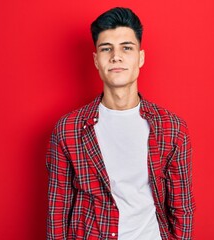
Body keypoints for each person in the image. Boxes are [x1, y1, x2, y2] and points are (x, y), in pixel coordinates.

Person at [46, 7, 195, 240]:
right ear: (96, 60)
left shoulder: (172, 128)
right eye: (107, 49)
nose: (116, 56)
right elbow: (58, 211)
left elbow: (182, 207)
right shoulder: (68, 130)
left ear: (141, 57)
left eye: (127, 48)